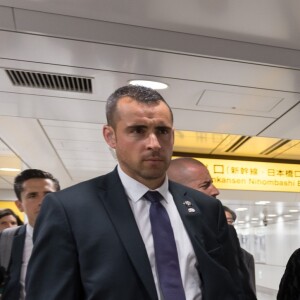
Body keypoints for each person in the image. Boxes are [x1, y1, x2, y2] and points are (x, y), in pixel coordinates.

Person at [26, 85, 244, 300]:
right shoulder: (69, 209)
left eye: (162, 131)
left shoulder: (206, 208)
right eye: (138, 130)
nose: (154, 143)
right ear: (110, 136)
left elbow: (229, 286)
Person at [168, 157, 257, 299]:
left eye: (212, 183)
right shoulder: (152, 231)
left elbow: (241, 289)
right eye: (205, 185)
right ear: (178, 190)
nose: (215, 191)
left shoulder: (224, 233)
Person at [0, 169, 60, 300]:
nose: (42, 201)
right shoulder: (6, 239)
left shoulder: (80, 238)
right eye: (32, 195)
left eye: (48, 194)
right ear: (19, 205)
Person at [223, 205, 256, 295]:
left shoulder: (246, 257)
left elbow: (250, 291)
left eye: (229, 221)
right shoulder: (200, 252)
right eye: (221, 220)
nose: (226, 225)